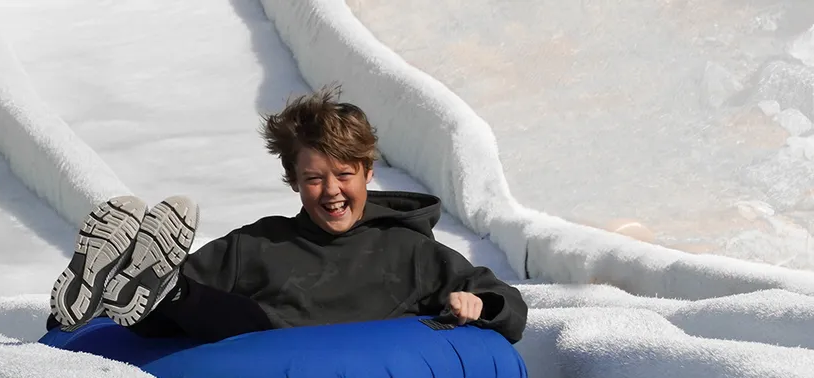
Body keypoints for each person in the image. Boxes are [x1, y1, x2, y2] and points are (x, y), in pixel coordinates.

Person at [48, 86, 527, 344]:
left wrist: (480, 305)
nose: (332, 191)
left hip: (304, 356)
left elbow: (504, 299)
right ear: (294, 181)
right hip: (243, 344)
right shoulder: (261, 243)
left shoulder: (410, 251)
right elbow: (196, 288)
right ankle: (100, 294)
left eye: (344, 174)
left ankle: (153, 291)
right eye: (314, 179)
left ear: (367, 172)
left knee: (247, 322)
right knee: (185, 305)